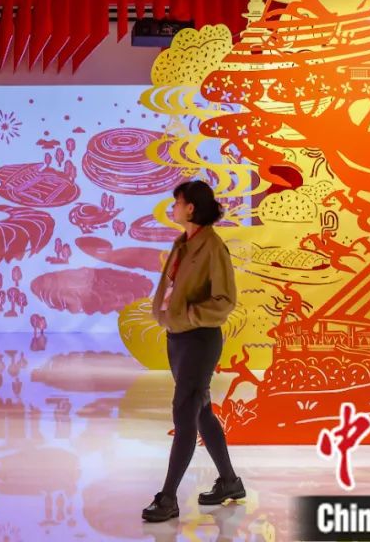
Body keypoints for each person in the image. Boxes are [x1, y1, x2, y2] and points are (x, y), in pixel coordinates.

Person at [142, 180, 245, 523]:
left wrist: (187, 316)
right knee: (201, 412)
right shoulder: (183, 243)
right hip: (179, 337)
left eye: (177, 202)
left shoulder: (212, 247)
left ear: (191, 208)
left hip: (199, 338)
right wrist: (169, 317)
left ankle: (168, 497)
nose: (172, 207)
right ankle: (230, 482)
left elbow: (224, 300)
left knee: (185, 412)